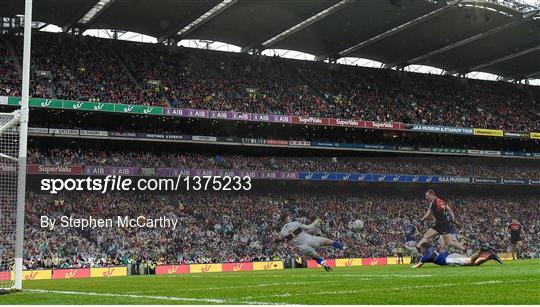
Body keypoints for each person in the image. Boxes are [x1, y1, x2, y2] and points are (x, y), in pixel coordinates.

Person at [275, 213, 345, 272]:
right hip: (310, 240)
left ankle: (324, 264)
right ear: (287, 218)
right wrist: (315, 222)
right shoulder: (295, 223)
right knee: (328, 242)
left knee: (316, 257)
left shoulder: (282, 232)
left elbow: (279, 240)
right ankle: (344, 247)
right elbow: (308, 227)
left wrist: (278, 241)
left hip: (303, 247)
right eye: (288, 216)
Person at [412, 242, 502, 268]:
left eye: (421, 249)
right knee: (474, 264)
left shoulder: (426, 256)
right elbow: (443, 250)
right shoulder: (434, 248)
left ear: (424, 248)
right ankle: (490, 257)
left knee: (470, 261)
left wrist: (411, 267)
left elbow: (418, 266)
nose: (421, 250)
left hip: (450, 260)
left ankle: (482, 249)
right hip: (451, 256)